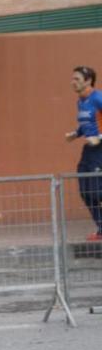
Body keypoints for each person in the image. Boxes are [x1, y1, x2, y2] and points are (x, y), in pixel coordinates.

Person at [65, 65, 102, 241]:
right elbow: (87, 122)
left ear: (88, 81)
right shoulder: (80, 101)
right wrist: (76, 133)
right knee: (85, 192)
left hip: (100, 149)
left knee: (97, 191)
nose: (73, 82)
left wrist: (99, 138)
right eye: (72, 79)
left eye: (77, 79)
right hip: (89, 150)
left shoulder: (98, 98)